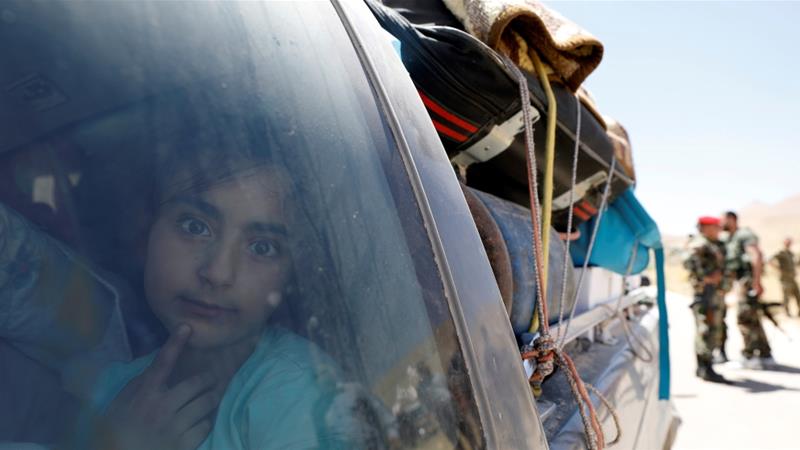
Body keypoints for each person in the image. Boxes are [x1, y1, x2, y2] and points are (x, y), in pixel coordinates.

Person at [79, 115, 357, 450]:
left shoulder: (302, 397)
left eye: (262, 247)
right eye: (194, 226)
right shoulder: (113, 389)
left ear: (290, 275)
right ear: (146, 232)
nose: (218, 273)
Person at [721, 211, 773, 368]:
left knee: (744, 317)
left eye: (723, 220)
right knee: (753, 318)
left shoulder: (744, 234)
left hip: (747, 281)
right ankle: (765, 354)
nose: (720, 223)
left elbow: (756, 255)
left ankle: (749, 356)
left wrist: (757, 282)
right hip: (742, 281)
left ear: (731, 219)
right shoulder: (732, 237)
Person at [683, 216, 730, 383]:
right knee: (706, 329)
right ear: (705, 227)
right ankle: (705, 367)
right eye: (715, 227)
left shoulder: (712, 244)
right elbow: (688, 263)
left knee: (712, 328)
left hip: (713, 294)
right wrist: (706, 277)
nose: (718, 230)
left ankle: (705, 367)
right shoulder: (699, 243)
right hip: (705, 294)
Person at [770, 237, 800, 317]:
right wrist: (778, 268)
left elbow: (795, 263)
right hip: (785, 279)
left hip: (792, 278)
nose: (789, 244)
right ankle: (786, 313)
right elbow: (770, 260)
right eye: (787, 242)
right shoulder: (781, 253)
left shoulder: (791, 253)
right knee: (786, 297)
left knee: (797, 295)